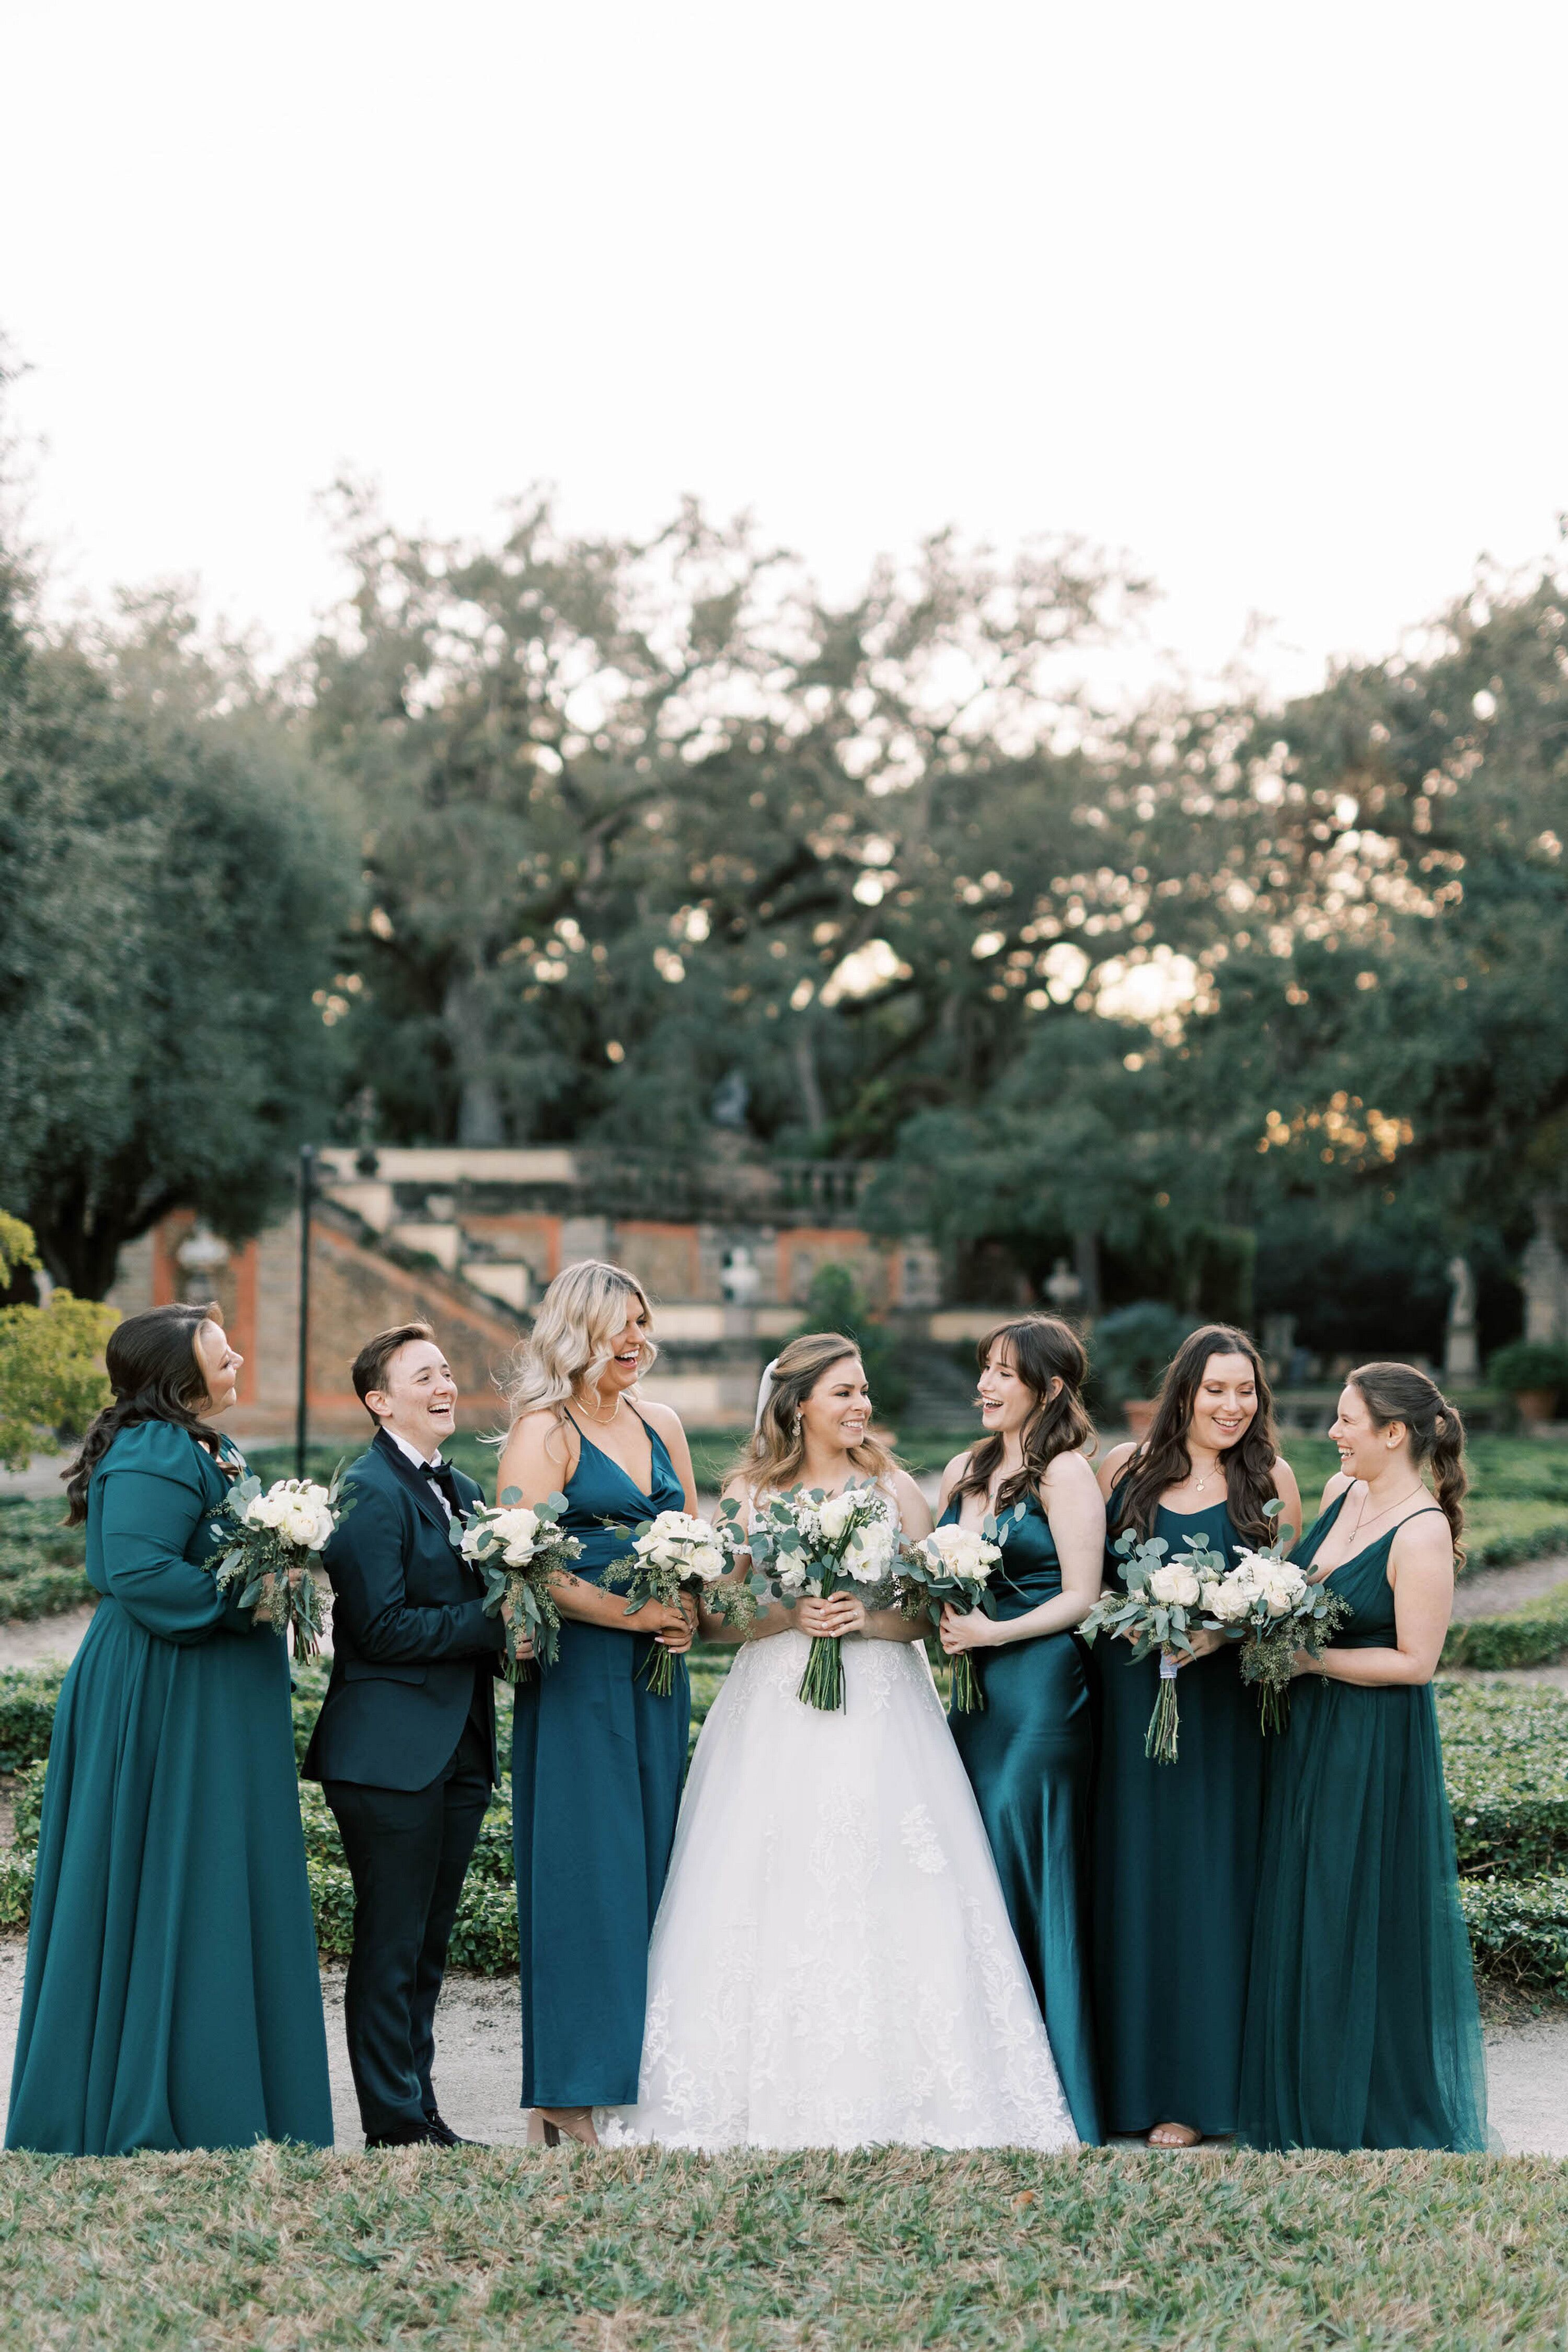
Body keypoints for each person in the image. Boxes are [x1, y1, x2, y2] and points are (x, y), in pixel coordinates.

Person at [600, 1331, 1078, 2152]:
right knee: (765, 1884)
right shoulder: (752, 1492)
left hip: (885, 1709)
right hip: (777, 1707)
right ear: (798, 1406)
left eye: (864, 1392)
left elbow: (931, 1615)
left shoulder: (897, 1490)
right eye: (844, 1393)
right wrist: (792, 1616)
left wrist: (868, 1619)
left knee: (895, 1880)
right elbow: (717, 1619)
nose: (861, 1406)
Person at [7, 1302, 332, 2155]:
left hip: (216, 1691)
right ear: (177, 1374)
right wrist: (252, 1597)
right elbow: (140, 1571)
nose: (238, 1359)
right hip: (163, 1689)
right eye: (222, 1353)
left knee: (217, 1870)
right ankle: (150, 2095)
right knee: (169, 1870)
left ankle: (221, 2087)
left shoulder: (207, 1444)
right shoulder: (156, 1447)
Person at [1238, 1362, 1488, 2151]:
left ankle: (1361, 2097)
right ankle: (1300, 2080)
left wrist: (1314, 1663)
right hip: (1306, 1730)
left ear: (1394, 1433)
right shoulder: (1346, 1494)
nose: (1334, 1433)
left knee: (1349, 1907)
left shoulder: (1423, 1530)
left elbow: (1417, 1661)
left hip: (1368, 1742)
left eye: (1349, 1421)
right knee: (1304, 1899)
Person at [498, 1261, 698, 2149]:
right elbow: (526, 1560)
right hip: (580, 1675)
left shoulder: (664, 1424)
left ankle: (644, 2074)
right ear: (578, 1331)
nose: (636, 1339)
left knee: (659, 1860)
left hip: (658, 1672)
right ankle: (566, 2094)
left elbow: (693, 1538)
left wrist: (686, 1608)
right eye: (620, 1324)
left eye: (644, 1323)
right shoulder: (545, 1432)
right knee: (586, 1871)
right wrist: (631, 1612)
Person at [1091, 1323, 1302, 2147]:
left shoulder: (1271, 1477)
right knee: (1135, 1884)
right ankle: (1124, 2085)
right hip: (1131, 1706)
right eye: (1216, 1389)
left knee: (1212, 1887)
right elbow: (1091, 1586)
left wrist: (1226, 1634)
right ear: (1184, 1390)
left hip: (1223, 1717)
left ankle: (1200, 2089)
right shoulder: (1125, 1470)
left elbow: (1280, 1603)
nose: (1232, 1405)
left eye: (1246, 1391)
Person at [302, 1320, 504, 2149]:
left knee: (427, 1946)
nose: (443, 1385)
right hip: (386, 1754)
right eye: (423, 1376)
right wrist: (494, 1623)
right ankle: (393, 2123)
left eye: (447, 1371)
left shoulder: (456, 1485)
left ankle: (422, 2111)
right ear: (379, 1400)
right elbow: (379, 1628)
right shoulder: (368, 1490)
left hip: (457, 1744)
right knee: (391, 1945)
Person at [935, 1315, 1106, 2145]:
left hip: (1039, 1689)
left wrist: (993, 1634)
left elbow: (1082, 1594)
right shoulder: (963, 1469)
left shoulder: (1067, 1472)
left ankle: (1048, 2079)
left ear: (1052, 1387)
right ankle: (981, 2069)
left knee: (1019, 1850)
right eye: (985, 1370)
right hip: (969, 1693)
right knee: (967, 1859)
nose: (987, 1386)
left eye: (1005, 1373)